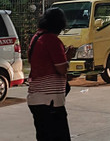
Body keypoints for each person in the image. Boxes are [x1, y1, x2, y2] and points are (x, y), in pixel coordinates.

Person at [27, 8, 76, 141]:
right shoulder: (52, 40)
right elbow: (62, 69)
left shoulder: (36, 38)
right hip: (50, 102)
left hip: (36, 99)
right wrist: (68, 57)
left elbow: (45, 64)